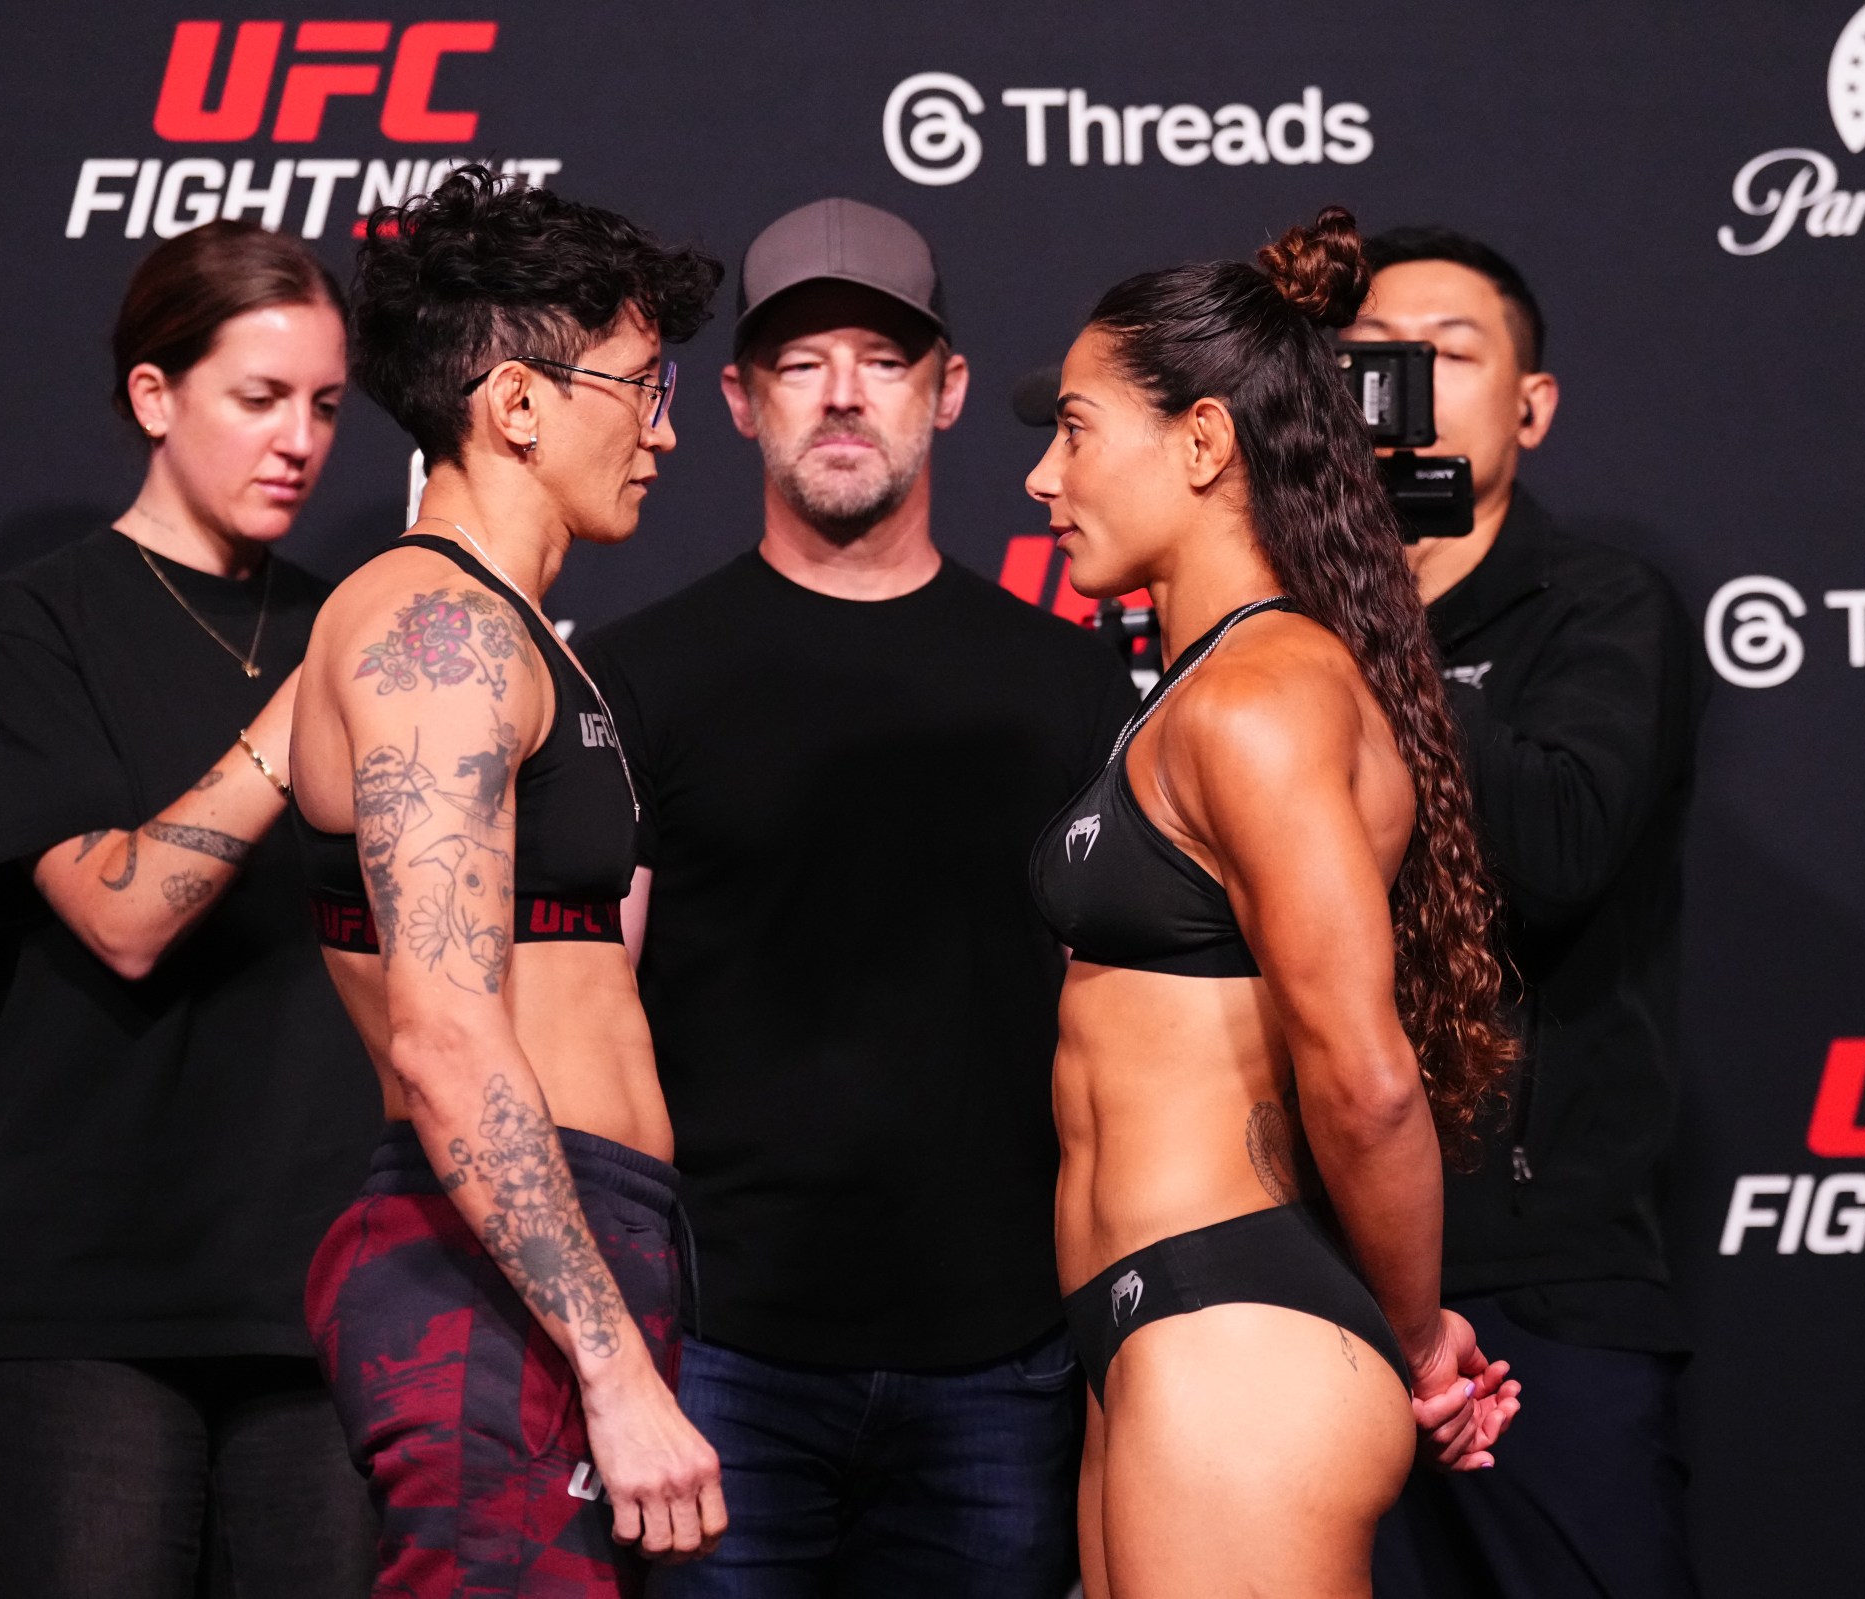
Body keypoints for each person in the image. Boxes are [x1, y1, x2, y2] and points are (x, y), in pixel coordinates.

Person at [580, 197, 1137, 1597]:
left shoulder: (1069, 684)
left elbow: (1123, 1034)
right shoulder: (637, 676)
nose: (841, 395)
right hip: (721, 1353)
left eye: (883, 361)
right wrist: (622, 1345)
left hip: (1002, 1356)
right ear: (736, 400)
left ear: (948, 392)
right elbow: (588, 1025)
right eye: (801, 362)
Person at [1019, 207, 1524, 1599]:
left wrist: (1417, 1343)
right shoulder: (1199, 691)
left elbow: (1366, 1077)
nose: (1043, 475)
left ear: (1201, 444)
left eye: (1074, 431)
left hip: (1235, 1334)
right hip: (1159, 1328)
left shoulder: (1262, 695)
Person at [285, 167, 726, 1598]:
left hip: (565, 1250)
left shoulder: (511, 633)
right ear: (520, 403)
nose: (664, 431)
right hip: (499, 1278)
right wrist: (612, 1365)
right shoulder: (439, 635)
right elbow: (444, 1034)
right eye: (642, 386)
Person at [0, 221, 381, 1597]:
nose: (299, 441)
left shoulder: (358, 630)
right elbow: (122, 915)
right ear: (154, 394)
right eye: (259, 398)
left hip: (329, 1293)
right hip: (91, 1298)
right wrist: (302, 708)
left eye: (325, 405)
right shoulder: (35, 625)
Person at [1348, 227, 1707, 1599]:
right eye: (1372, 359)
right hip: (1315, 1272)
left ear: (1531, 406)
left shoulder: (1600, 609)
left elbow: (1555, 853)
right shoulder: (1268, 624)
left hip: (1535, 1282)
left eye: (1449, 353)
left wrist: (1368, 629)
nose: (1407, 388)